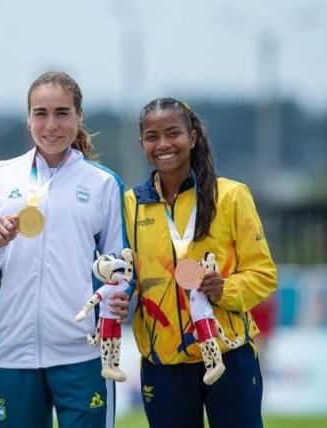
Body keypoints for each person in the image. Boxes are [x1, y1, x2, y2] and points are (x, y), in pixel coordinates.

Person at [0, 71, 128, 428]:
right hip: (13, 353)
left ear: (78, 116)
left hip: (84, 354)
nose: (51, 124)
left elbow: (121, 267)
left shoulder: (102, 183)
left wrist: (120, 293)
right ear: (28, 119)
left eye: (62, 113)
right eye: (41, 113)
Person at [124, 98, 277, 428]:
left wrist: (226, 289)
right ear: (142, 144)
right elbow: (126, 274)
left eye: (173, 133)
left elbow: (264, 274)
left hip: (229, 354)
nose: (163, 144)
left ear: (192, 137)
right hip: (163, 362)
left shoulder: (231, 196)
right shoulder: (131, 205)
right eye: (152, 136)